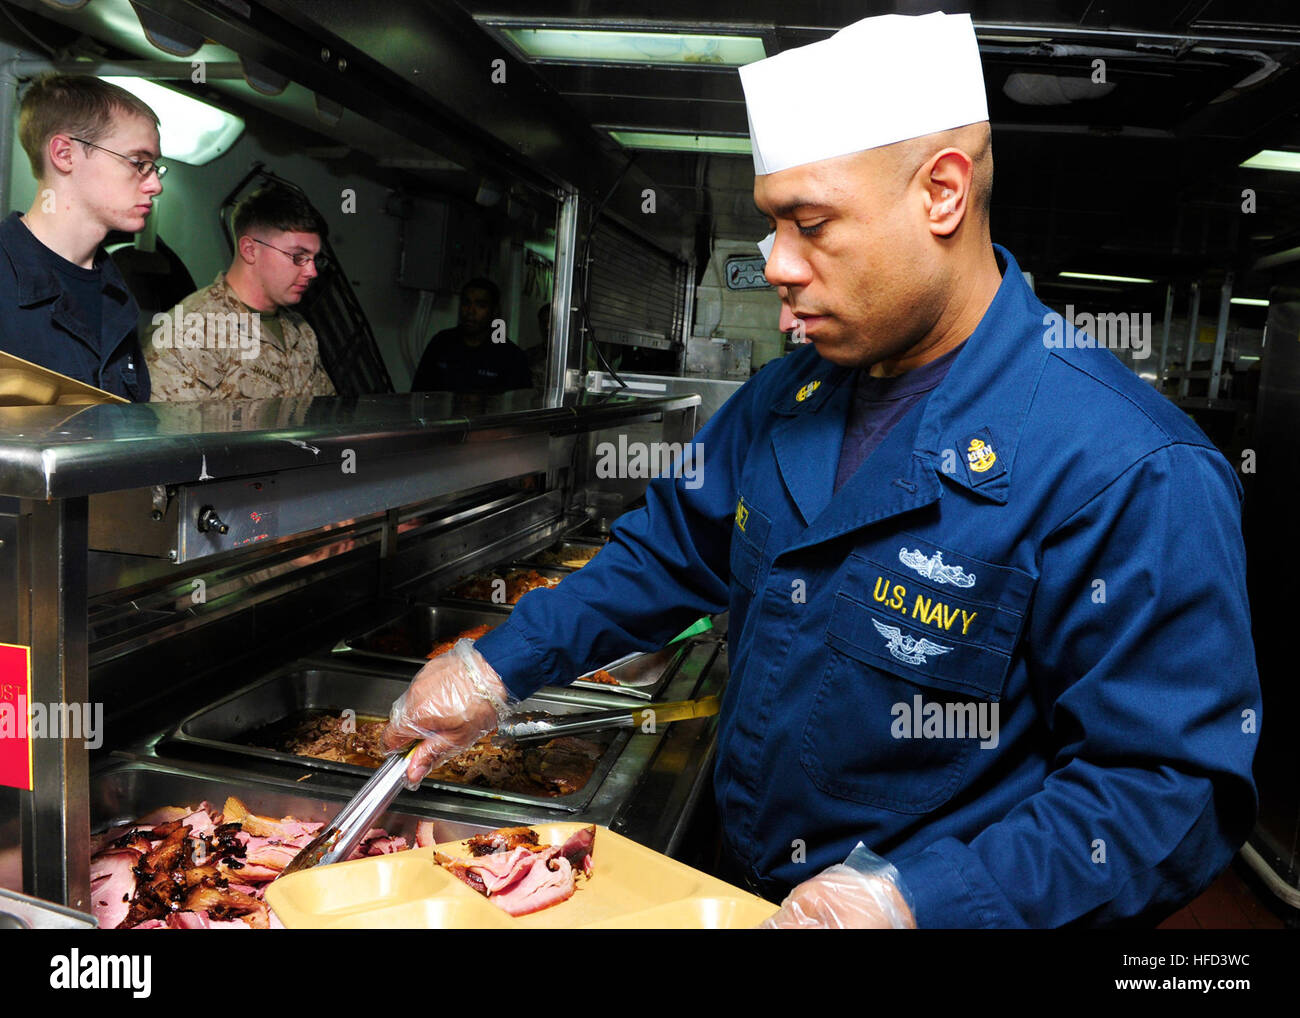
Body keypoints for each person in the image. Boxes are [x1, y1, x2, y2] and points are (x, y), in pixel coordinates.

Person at [382, 13, 1260, 928]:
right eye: (773, 226)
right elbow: (666, 555)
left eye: (810, 224)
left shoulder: (1129, 467)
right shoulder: (787, 397)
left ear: (943, 194)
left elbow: (1167, 790)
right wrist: (494, 667)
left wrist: (915, 902)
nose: (778, 267)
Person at [0, 74, 162, 400]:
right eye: (138, 162)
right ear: (64, 154)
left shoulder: (117, 297)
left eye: (156, 167)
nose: (156, 185)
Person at [146, 183, 335, 400]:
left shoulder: (301, 332)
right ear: (250, 250)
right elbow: (172, 431)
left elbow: (323, 414)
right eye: (298, 256)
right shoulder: (189, 332)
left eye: (314, 259)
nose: (312, 271)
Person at [410, 277, 532, 393]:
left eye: (480, 305)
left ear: (494, 311)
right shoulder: (442, 343)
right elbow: (419, 393)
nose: (470, 311)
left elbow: (518, 404)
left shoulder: (509, 356)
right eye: (466, 303)